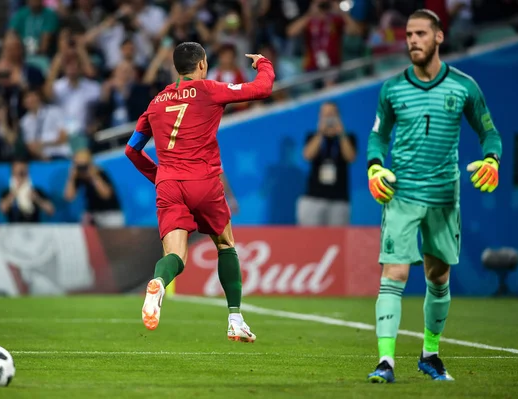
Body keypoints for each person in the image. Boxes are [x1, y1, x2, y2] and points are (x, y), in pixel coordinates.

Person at [366, 10, 502, 383]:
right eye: (408, 34)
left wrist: (492, 159)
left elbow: (490, 133)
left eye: (420, 33)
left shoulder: (463, 87)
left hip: (444, 196)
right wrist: (375, 166)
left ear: (439, 37)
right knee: (393, 273)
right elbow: (378, 136)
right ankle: (385, 362)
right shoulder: (392, 88)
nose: (412, 40)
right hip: (402, 194)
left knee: (438, 278)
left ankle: (430, 354)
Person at [124, 42, 275, 341]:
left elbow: (131, 149)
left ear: (176, 68)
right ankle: (235, 319)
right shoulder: (208, 89)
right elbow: (262, 89)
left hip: (169, 185)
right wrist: (263, 64)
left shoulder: (155, 103)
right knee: (225, 243)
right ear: (202, 65)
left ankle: (157, 282)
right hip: (203, 180)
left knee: (176, 255)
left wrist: (159, 177)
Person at [298, 101, 356, 226]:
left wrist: (341, 133)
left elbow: (350, 157)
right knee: (310, 241)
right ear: (320, 116)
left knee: (337, 241)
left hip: (338, 199)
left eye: (332, 114)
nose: (329, 118)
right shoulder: (313, 136)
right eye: (326, 114)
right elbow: (308, 155)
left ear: (338, 116)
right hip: (314, 197)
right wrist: (320, 132)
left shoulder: (348, 137)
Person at [0, 158, 55, 222]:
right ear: (12, 173)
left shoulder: (36, 191)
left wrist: (37, 199)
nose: (21, 177)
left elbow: (51, 210)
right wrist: (14, 192)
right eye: (18, 173)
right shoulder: (7, 192)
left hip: (34, 228)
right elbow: (2, 209)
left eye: (23, 174)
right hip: (14, 229)